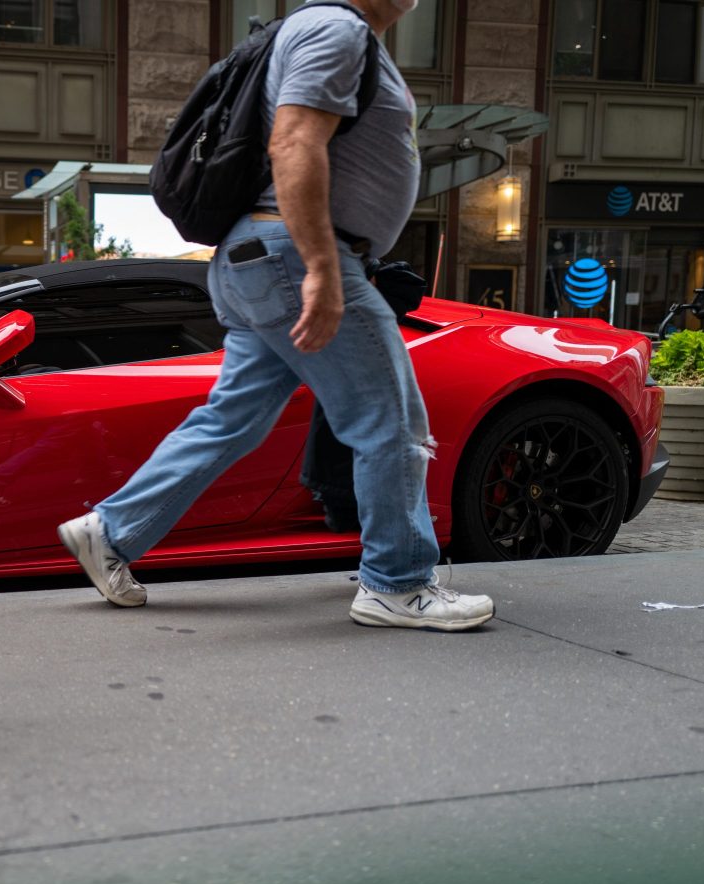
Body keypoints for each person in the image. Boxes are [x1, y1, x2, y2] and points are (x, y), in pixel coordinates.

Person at [57, 0, 494, 632]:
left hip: (264, 256)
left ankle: (111, 531)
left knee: (231, 420)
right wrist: (321, 265)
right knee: (390, 417)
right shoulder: (337, 28)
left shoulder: (331, 33)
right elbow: (292, 140)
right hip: (296, 253)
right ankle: (397, 583)